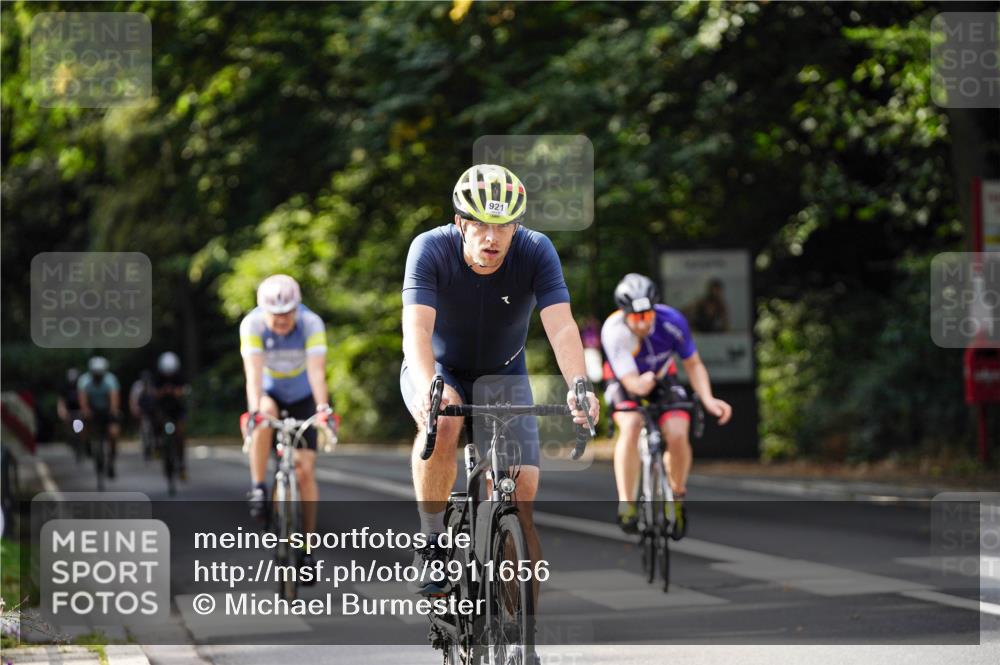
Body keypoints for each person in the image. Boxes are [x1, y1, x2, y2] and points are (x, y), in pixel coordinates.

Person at [400, 163, 599, 597]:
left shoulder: (536, 250)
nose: (492, 238)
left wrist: (578, 386)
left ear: (516, 227)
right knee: (444, 422)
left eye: (504, 226)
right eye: (480, 225)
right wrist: (429, 386)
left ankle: (518, 623)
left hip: (504, 371)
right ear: (460, 223)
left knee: (520, 493)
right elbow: (416, 330)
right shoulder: (429, 248)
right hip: (439, 367)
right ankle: (431, 540)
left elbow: (561, 327)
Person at [601, 273, 732, 535]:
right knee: (631, 424)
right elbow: (633, 384)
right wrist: (643, 383)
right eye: (636, 318)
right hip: (626, 380)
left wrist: (708, 399)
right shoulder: (614, 331)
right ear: (624, 314)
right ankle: (627, 503)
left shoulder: (672, 321)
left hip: (662, 375)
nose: (642, 323)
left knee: (677, 432)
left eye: (647, 315)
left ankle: (677, 496)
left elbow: (693, 364)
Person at [240, 274, 332, 577]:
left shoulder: (311, 323)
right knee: (263, 414)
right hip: (269, 393)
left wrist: (322, 409)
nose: (281, 320)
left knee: (305, 471)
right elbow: (253, 376)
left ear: (297, 308)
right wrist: (254, 412)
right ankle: (258, 487)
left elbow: (317, 372)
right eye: (275, 314)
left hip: (303, 396)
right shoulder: (252, 325)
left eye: (287, 313)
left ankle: (307, 549)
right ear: (262, 310)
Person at [77, 356, 122, 478]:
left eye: (100, 374)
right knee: (80, 424)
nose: (98, 377)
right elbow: (83, 399)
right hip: (92, 410)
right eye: (95, 374)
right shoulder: (84, 380)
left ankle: (111, 461)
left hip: (106, 410)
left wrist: (113, 411)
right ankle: (86, 443)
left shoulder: (111, 380)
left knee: (113, 433)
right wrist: (86, 410)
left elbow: (114, 398)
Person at [153, 352, 190, 479]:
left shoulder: (179, 376)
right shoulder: (158, 377)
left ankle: (181, 464)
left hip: (177, 410)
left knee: (180, 434)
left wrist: (175, 392)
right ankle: (158, 444)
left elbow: (183, 391)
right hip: (163, 409)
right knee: (156, 421)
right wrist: (163, 392)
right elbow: (154, 393)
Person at [129, 370, 157, 461]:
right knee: (145, 429)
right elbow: (133, 399)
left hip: (153, 410)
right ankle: (146, 447)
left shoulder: (153, 385)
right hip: (143, 411)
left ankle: (156, 445)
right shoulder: (137, 386)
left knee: (156, 428)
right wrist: (134, 409)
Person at [57, 368, 85, 457]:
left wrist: (84, 410)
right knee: (69, 427)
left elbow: (86, 399)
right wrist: (62, 411)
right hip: (69, 410)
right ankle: (71, 441)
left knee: (81, 427)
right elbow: (61, 401)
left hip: (80, 410)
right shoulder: (65, 387)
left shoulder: (82, 386)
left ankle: (84, 443)